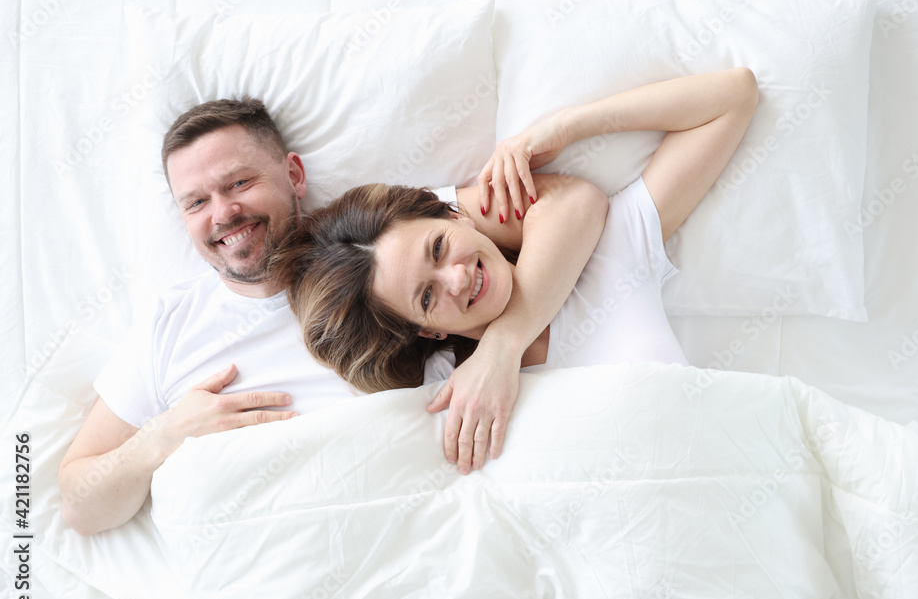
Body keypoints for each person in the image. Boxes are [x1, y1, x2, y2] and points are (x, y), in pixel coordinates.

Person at [58, 97, 606, 535]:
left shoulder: (379, 241)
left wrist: (500, 346)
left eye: (238, 183)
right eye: (196, 202)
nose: (223, 213)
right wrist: (163, 435)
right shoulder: (170, 326)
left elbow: (567, 204)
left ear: (293, 174)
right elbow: (80, 504)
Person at [272, 68, 759, 475]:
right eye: (426, 297)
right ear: (425, 330)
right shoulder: (442, 392)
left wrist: (570, 127)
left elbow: (734, 96)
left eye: (439, 247)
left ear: (454, 213)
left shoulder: (609, 254)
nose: (457, 279)